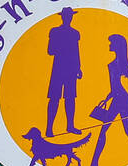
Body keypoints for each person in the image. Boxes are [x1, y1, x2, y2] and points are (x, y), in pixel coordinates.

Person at [86, 34, 128, 166]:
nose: (109, 45)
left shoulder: (120, 64)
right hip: (116, 98)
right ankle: (94, 165)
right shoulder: (113, 63)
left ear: (117, 45)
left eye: (111, 43)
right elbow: (113, 87)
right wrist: (106, 99)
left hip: (122, 100)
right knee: (106, 131)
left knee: (125, 131)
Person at [45, 7, 82, 137]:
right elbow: (50, 50)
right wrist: (63, 48)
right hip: (59, 67)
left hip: (71, 68)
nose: (69, 18)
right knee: (54, 98)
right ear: (63, 17)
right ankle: (49, 128)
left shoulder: (75, 33)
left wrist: (78, 68)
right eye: (67, 15)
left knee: (70, 98)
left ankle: (70, 126)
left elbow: (76, 51)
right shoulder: (55, 31)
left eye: (70, 15)